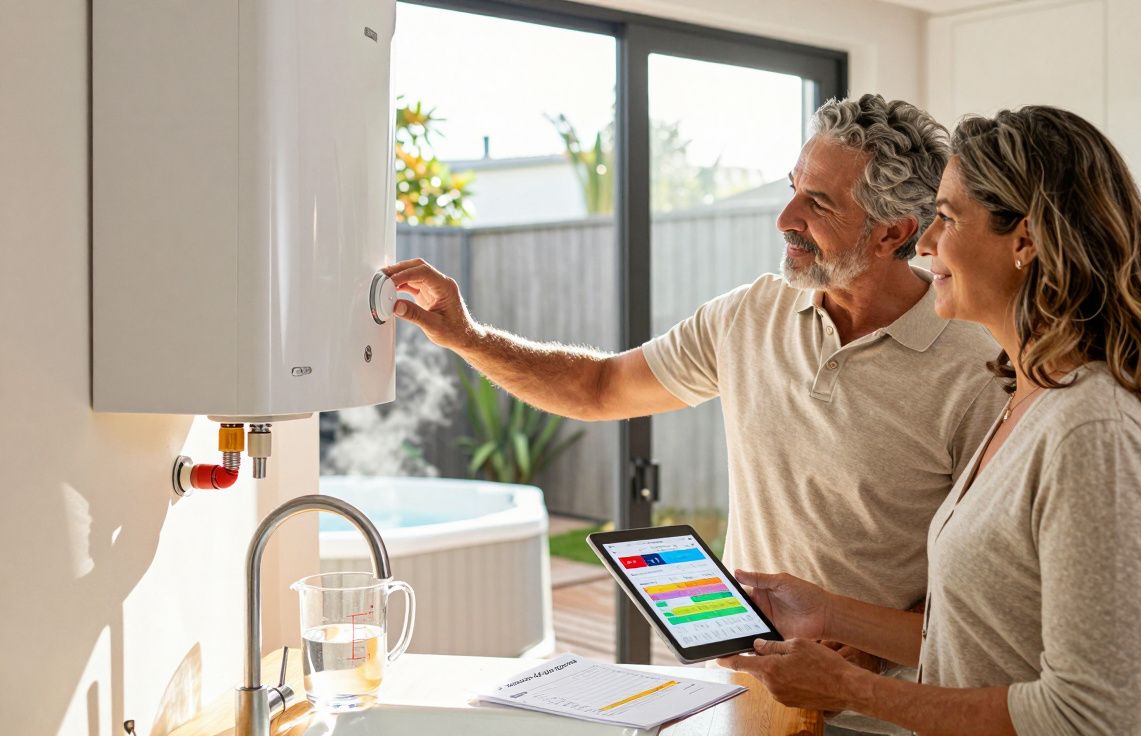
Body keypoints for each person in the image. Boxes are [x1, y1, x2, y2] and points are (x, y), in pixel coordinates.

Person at [386, 94, 1007, 734]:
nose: (784, 217)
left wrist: (868, 647)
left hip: (894, 718)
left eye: (818, 204)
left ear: (893, 232)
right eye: (795, 188)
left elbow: (991, 589)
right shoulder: (748, 316)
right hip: (745, 698)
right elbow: (599, 387)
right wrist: (466, 337)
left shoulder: (979, 365)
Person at [719, 105, 1141, 736]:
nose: (923, 242)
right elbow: (981, 638)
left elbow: (1090, 716)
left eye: (945, 218)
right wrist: (828, 613)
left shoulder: (1093, 430)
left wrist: (854, 690)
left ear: (1025, 240)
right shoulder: (1029, 399)